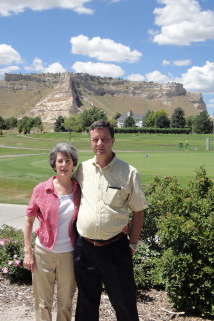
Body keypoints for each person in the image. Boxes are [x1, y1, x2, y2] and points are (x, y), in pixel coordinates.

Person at [73, 120, 148, 321]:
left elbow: (138, 211)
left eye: (104, 139)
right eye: (95, 139)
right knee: (86, 303)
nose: (100, 144)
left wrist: (132, 243)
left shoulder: (128, 172)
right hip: (85, 248)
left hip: (115, 248)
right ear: (90, 142)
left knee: (124, 302)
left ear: (112, 141)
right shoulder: (82, 169)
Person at [23, 143, 81, 321]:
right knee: (43, 301)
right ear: (54, 164)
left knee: (65, 302)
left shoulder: (79, 190)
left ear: (73, 164)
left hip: (68, 254)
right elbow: (28, 220)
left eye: (68, 161)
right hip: (44, 253)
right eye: (60, 161)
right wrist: (28, 252)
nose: (64, 165)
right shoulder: (41, 189)